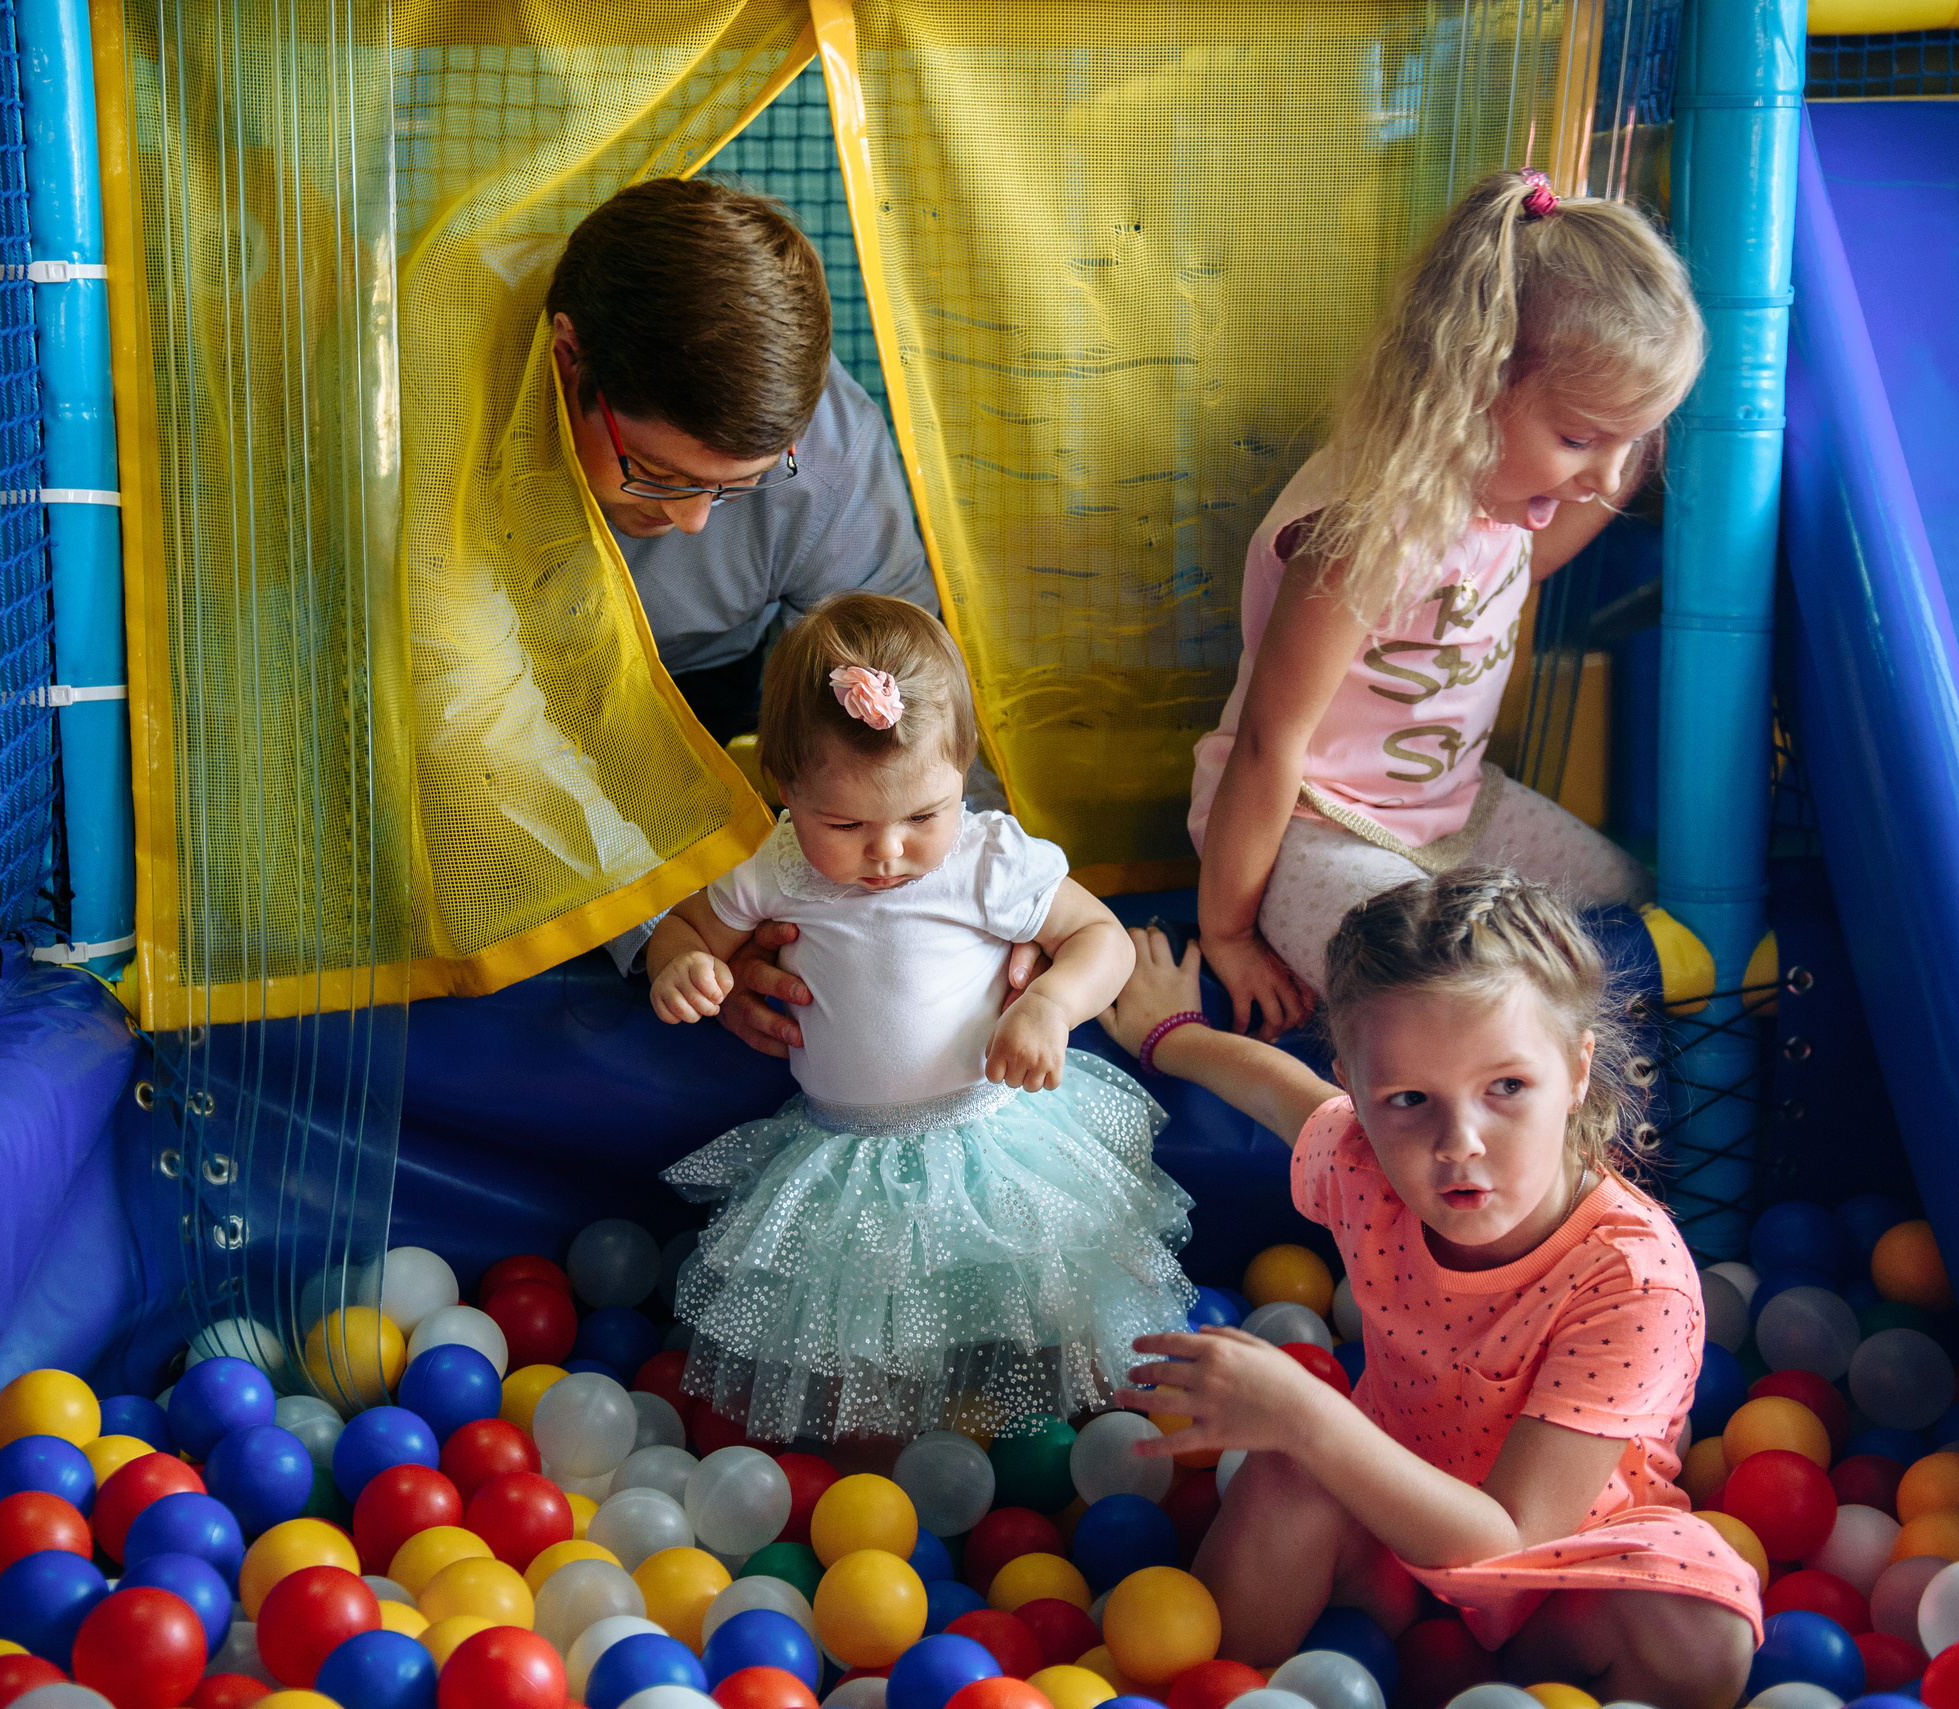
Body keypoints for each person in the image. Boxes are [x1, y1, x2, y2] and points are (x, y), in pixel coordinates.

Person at [1097, 870, 1758, 1705]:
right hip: (1385, 1518)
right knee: (1284, 1474)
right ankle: (1236, 1686)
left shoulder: (1632, 1278)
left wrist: (1306, 1414)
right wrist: (1171, 1034)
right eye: (1409, 1098)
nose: (1460, 1143)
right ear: (1359, 1095)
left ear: (1579, 1068)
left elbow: (1513, 1535)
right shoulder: (1361, 1159)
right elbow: (1274, 1089)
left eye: (1507, 1088)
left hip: (1564, 1566)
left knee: (1704, 1630)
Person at [643, 592, 1193, 1440]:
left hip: (998, 1138)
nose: (888, 850)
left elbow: (1101, 938)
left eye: (923, 814)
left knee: (1062, 1311)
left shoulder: (986, 859)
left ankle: (1092, 1442)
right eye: (846, 822)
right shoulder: (781, 865)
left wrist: (1050, 1002)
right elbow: (686, 924)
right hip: (848, 1160)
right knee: (868, 1365)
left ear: (963, 768)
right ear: (784, 788)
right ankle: (902, 1478)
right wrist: (681, 961)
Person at [1190, 169, 1705, 1040]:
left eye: (1632, 441)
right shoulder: (1360, 532)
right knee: (1441, 1007)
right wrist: (1228, 933)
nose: (1606, 479)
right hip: (1314, 830)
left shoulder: (1507, 497)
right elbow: (1269, 747)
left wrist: (1616, 444)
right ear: (1474, 385)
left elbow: (1526, 561)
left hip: (1455, 810)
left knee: (1629, 909)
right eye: (1581, 438)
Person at [546, 178, 1024, 1042]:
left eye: (737, 487)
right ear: (568, 358)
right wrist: (665, 933)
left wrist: (984, 887)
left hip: (706, 668)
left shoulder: (827, 454)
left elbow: (916, 700)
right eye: (659, 472)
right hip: (525, 696)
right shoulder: (448, 458)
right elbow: (490, 745)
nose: (690, 521)